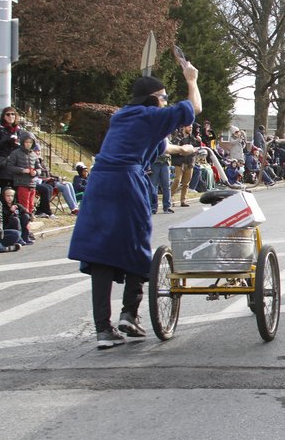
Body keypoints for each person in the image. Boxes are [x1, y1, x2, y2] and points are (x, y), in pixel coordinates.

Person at [68, 61, 201, 349]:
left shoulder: (123, 117)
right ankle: (130, 312)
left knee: (99, 253)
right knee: (138, 244)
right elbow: (194, 107)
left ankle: (103, 329)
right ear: (154, 98)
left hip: (99, 181)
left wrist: (183, 149)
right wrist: (191, 79)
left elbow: (160, 146)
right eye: (163, 97)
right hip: (127, 181)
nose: (165, 101)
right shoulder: (151, 116)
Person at [0, 107, 29, 189]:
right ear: (3, 116)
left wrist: (18, 145)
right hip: (3, 162)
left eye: (13, 114)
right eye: (8, 114)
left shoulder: (19, 130)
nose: (11, 116)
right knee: (3, 190)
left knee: (15, 191)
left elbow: (25, 146)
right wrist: (7, 141)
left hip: (16, 164)